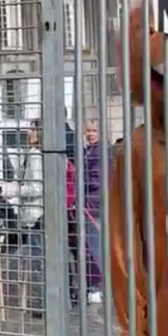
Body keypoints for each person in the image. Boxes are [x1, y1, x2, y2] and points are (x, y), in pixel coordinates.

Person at [0, 118, 44, 318]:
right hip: (35, 214)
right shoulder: (33, 154)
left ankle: (41, 304)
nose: (28, 133)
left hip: (35, 215)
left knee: (38, 262)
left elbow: (37, 187)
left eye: (31, 130)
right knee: (37, 260)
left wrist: (15, 189)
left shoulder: (36, 156)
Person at [79, 120, 104, 304]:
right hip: (91, 205)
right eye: (88, 130)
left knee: (94, 249)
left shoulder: (99, 152)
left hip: (94, 207)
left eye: (94, 130)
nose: (90, 134)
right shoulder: (89, 151)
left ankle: (96, 288)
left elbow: (97, 181)